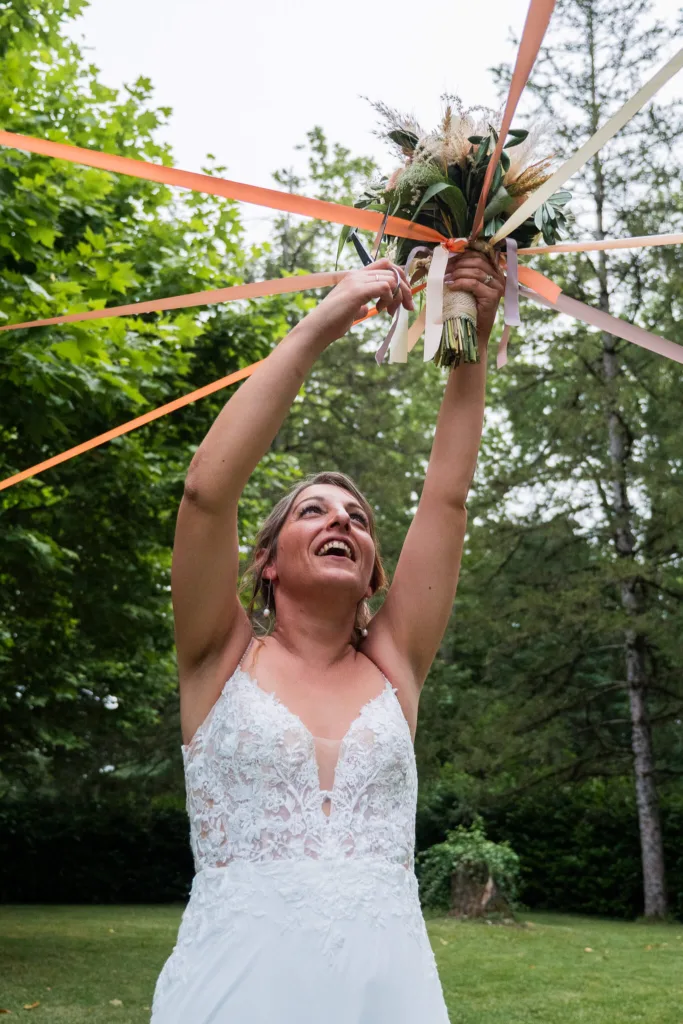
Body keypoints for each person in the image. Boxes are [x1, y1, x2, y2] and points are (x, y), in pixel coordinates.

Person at [150, 251, 505, 1023]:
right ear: (267, 562)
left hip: (391, 993)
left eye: (357, 520)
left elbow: (445, 497)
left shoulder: (394, 665)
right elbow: (207, 493)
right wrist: (327, 318)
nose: (341, 519)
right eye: (312, 511)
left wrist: (465, 333)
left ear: (375, 571)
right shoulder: (219, 655)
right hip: (236, 989)